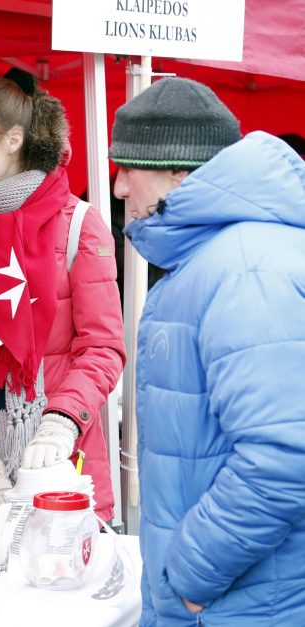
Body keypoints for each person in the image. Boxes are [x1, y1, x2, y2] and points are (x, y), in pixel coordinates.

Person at [109, 77, 305, 625]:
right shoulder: (217, 257)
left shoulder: (247, 268)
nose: (119, 188)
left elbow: (284, 455)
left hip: (241, 603)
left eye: (129, 167)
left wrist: (191, 577)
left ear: (179, 170)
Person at [0, 70, 124, 522]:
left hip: (63, 466)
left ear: (13, 140)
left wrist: (61, 422)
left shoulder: (79, 224)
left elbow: (102, 347)